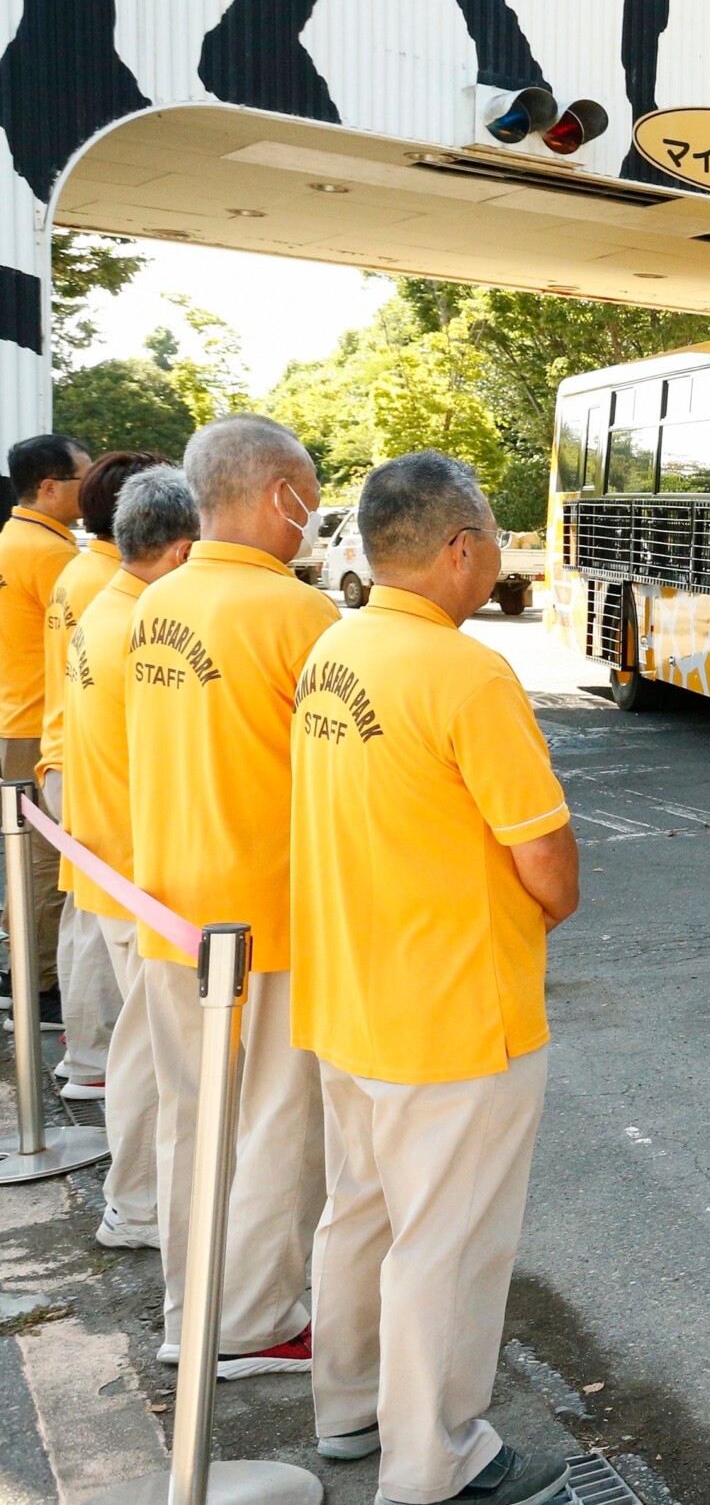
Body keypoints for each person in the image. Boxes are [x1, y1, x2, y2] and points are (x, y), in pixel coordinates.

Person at [292, 452, 579, 1505]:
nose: (499, 556)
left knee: (359, 1216)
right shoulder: (466, 672)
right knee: (446, 1246)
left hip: (349, 991)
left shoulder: (336, 647)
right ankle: (438, 1464)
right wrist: (550, 904)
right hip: (454, 1008)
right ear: (461, 549)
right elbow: (545, 861)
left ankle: (352, 1410)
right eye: (495, 537)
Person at [128, 415, 336, 1378]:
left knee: (189, 1114)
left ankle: (190, 1304)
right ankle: (251, 1321)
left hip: (171, 901)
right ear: (271, 494)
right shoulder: (299, 616)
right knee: (273, 1126)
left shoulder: (154, 603)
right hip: (274, 915)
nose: (314, 513)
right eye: (308, 492)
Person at [63, 465, 195, 1252]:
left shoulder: (107, 609)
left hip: (111, 860)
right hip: (138, 872)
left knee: (145, 1050)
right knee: (155, 1059)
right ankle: (139, 1203)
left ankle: (136, 1199)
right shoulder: (145, 628)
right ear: (181, 551)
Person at [40, 450, 158, 1104]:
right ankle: (91, 1058)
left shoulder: (84, 571)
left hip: (70, 753)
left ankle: (82, 1053)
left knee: (87, 915)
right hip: (86, 759)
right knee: (97, 920)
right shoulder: (103, 582)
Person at [0, 434, 90, 1013]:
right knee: (41, 858)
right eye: (85, 478)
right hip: (36, 719)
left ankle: (23, 972)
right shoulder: (51, 555)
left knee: (23, 854)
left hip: (15, 712)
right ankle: (35, 985)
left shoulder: (13, 538)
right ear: (50, 487)